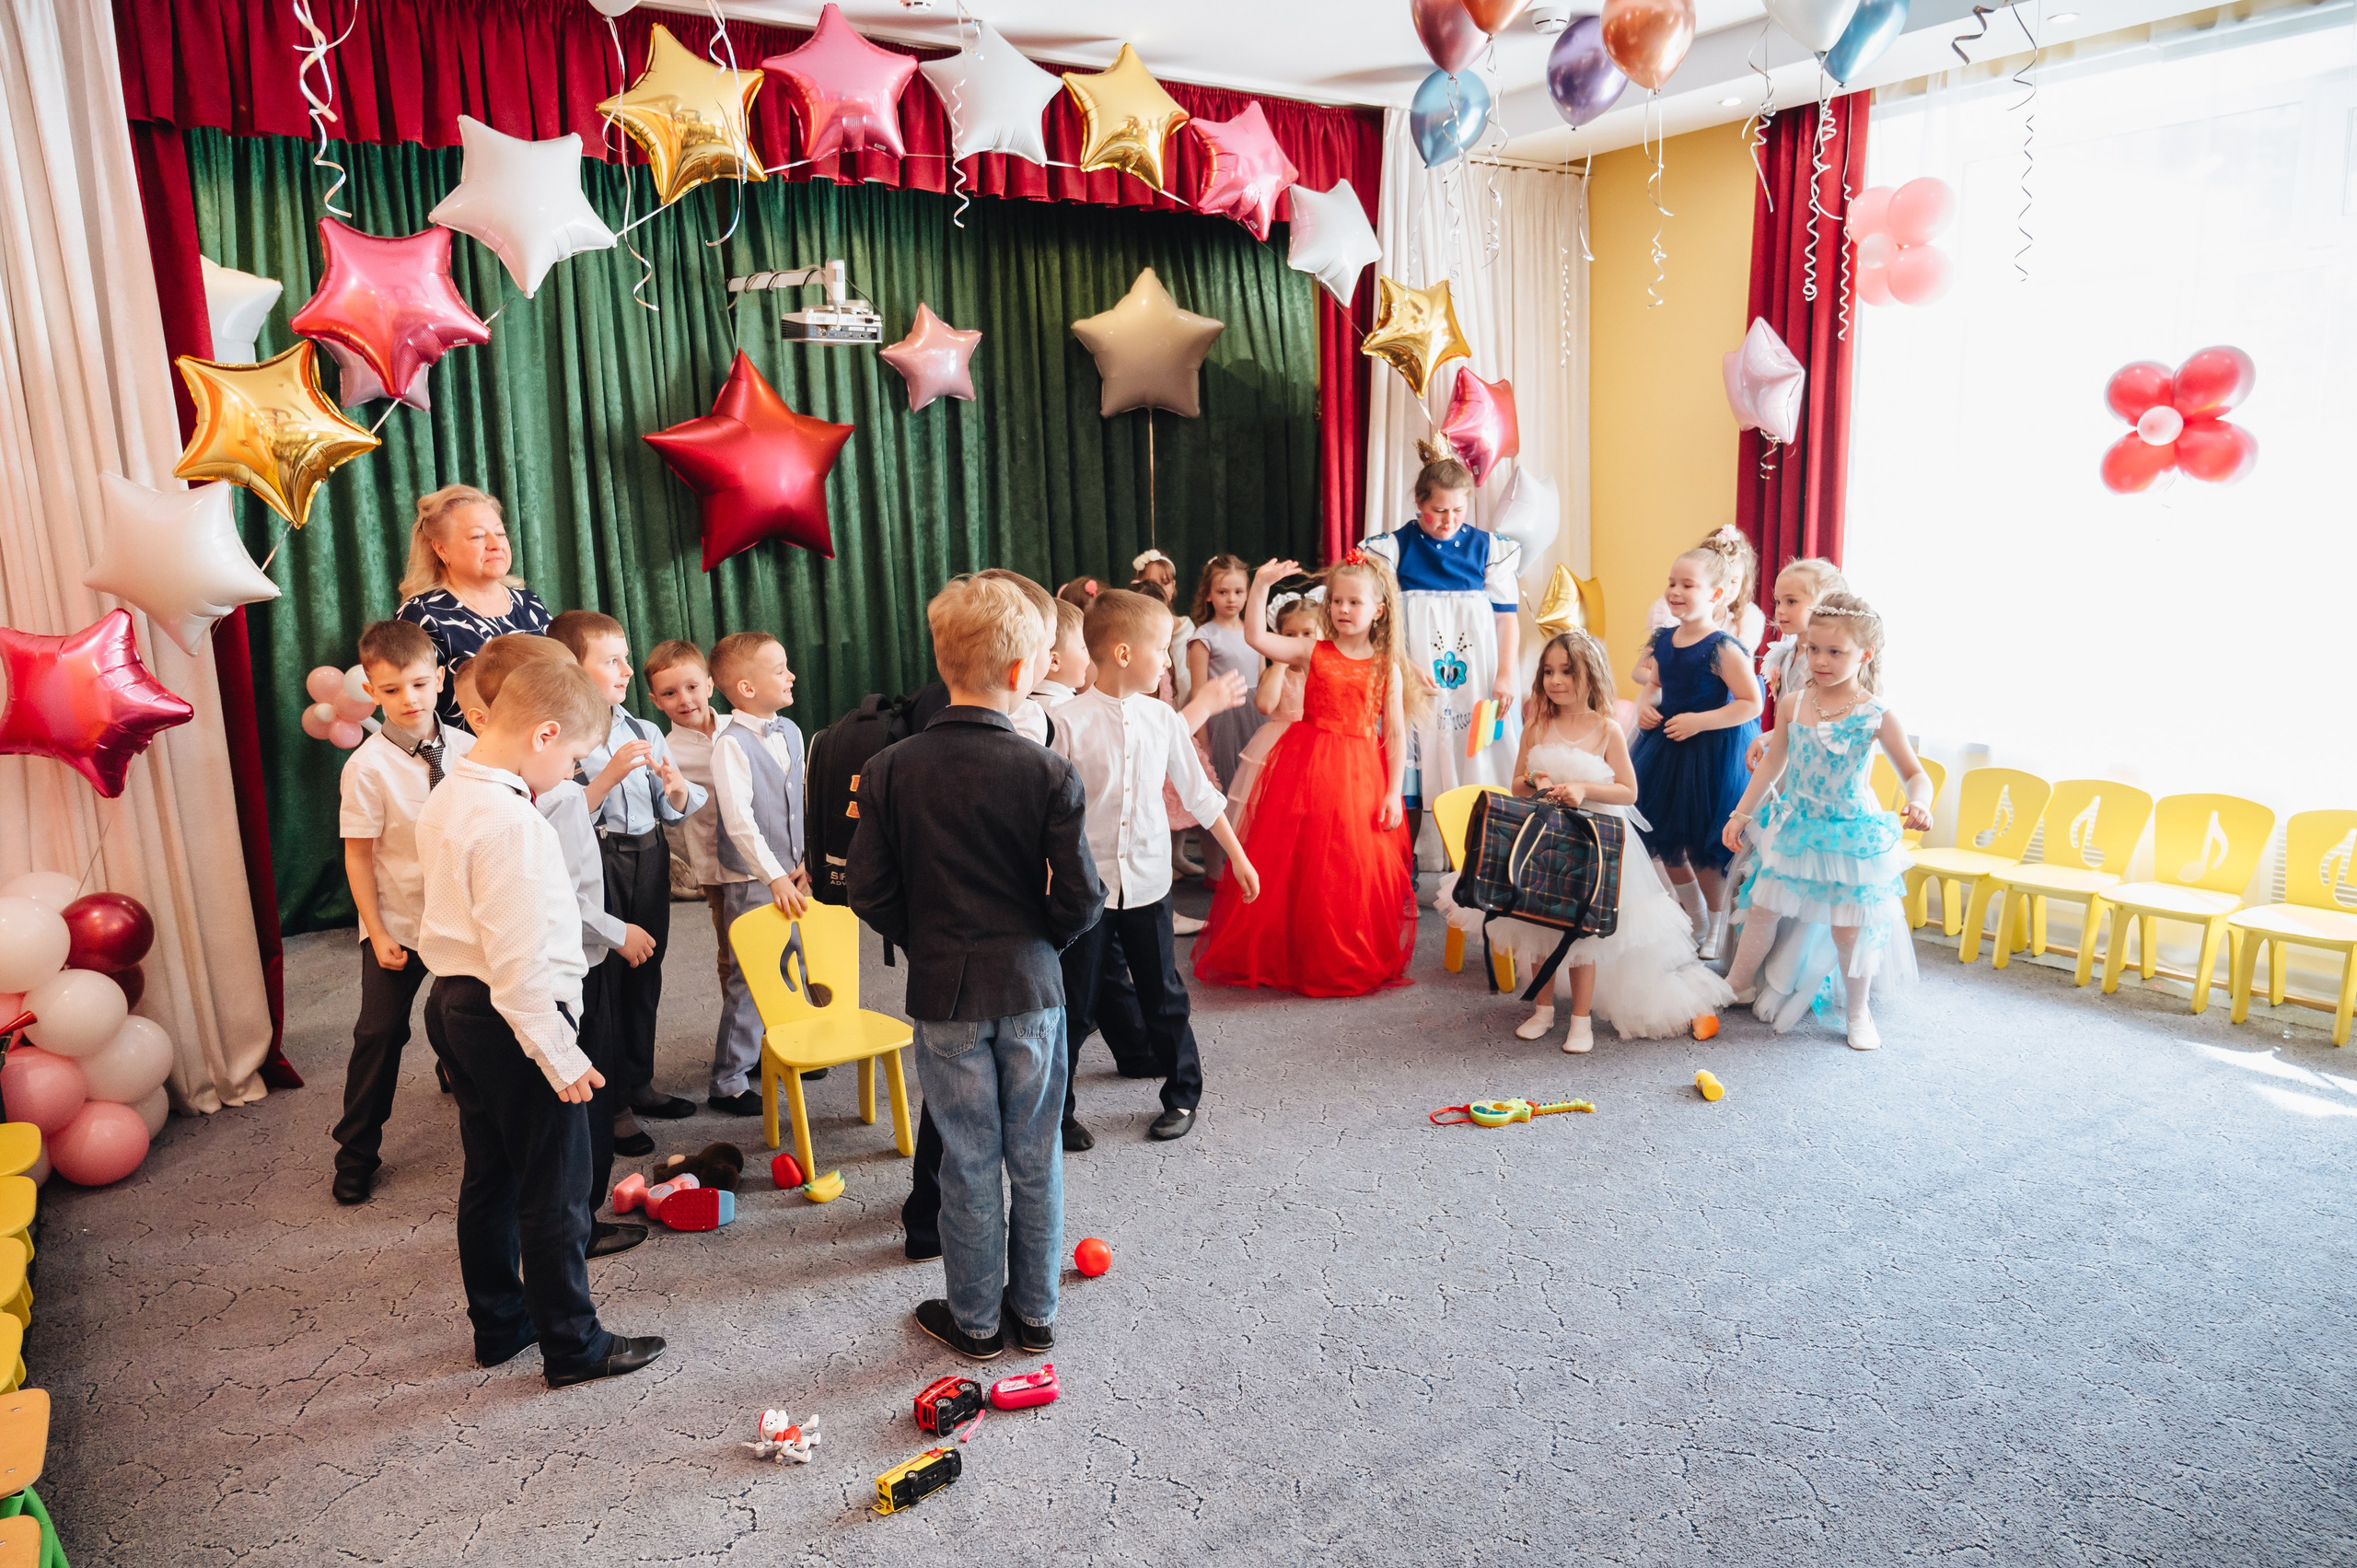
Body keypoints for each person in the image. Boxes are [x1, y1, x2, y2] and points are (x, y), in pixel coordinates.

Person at [848, 575, 1106, 1362]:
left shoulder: (890, 767)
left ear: (941, 659)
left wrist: (925, 938)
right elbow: (1085, 898)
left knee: (966, 1157)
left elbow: (867, 889)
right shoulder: (1048, 769)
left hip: (945, 991)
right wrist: (1043, 942)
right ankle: (1035, 1313)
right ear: (1026, 671)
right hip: (1031, 984)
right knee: (1035, 1153)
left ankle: (976, 1323)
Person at [415, 656, 663, 1388]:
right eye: (576, 755)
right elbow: (520, 965)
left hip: (457, 1003)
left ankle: (500, 1322)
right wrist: (560, 1054)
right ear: (545, 732)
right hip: (513, 1017)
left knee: (490, 1173)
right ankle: (574, 1344)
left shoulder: (452, 788)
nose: (576, 770)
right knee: (555, 1185)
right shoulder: (511, 822)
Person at [1438, 631, 1736, 1050]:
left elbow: (1628, 793)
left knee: (1583, 934)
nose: (1556, 681)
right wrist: (1535, 779)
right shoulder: (1538, 724)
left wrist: (1583, 788)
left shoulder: (1607, 729)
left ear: (1589, 675)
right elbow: (1517, 785)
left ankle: (1581, 1020)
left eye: (1567, 672)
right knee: (1539, 927)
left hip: (1593, 845)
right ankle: (1542, 1010)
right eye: (1548, 672)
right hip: (1543, 843)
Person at [459, 634, 652, 1259]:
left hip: (498, 984)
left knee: (500, 1158)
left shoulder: (474, 789)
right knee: (565, 1136)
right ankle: (580, 1232)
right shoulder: (538, 800)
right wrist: (617, 932)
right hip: (553, 980)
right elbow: (554, 903)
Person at [1052, 589, 1260, 1149]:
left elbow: (1200, 794)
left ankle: (1183, 1092)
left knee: (1163, 994)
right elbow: (1045, 813)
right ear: (1123, 654)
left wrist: (1237, 855)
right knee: (1075, 1003)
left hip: (1147, 885)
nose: (1169, 662)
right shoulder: (1065, 723)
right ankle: (1059, 1110)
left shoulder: (1164, 719)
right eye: (1162, 650)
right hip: (1086, 891)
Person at [1194, 552, 1420, 998]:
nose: (1342, 609)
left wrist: (1394, 792)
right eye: (1337, 601)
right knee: (1305, 860)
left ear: (1378, 610)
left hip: (1360, 775)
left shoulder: (1385, 666)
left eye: (1354, 602)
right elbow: (1257, 636)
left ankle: (1343, 953)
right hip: (1308, 763)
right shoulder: (1312, 651)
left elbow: (1394, 735)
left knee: (1349, 865)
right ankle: (1298, 951)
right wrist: (1260, 585)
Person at [1722, 593, 1933, 1051]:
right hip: (1794, 826)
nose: (1820, 660)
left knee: (1848, 927)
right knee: (1762, 909)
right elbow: (1772, 763)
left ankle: (1858, 1012)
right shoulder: (1795, 703)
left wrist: (1921, 802)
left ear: (1865, 655)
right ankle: (1735, 984)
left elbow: (1916, 774)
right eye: (1814, 649)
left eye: (1835, 652)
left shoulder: (1876, 713)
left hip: (1847, 833)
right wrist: (1741, 813)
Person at [550, 611, 706, 1150]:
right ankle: (611, 1102)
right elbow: (562, 817)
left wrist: (678, 788)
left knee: (647, 971)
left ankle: (640, 1081)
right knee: (607, 983)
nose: (623, 670)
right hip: (603, 859)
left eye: (624, 659)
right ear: (573, 667)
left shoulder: (644, 728)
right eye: (610, 661)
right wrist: (610, 773)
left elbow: (671, 809)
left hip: (651, 856)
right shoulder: (564, 735)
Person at [331, 619, 473, 1205]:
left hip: (463, 919)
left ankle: (469, 1094)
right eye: (391, 691)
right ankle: (356, 1151)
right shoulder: (367, 768)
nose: (408, 700)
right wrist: (378, 931)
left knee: (470, 1022)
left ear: (440, 679)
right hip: (401, 923)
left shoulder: (471, 749)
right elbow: (359, 858)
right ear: (371, 692)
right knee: (380, 1031)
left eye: (418, 684)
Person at [1360, 447, 1522, 879]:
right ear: (1419, 503)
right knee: (1410, 760)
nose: (1449, 520)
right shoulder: (1393, 549)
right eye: (1438, 510)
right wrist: (1403, 664)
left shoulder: (1489, 549)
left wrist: (1506, 674)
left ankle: (1477, 868)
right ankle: (1402, 864)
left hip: (1476, 674)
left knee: (1479, 758)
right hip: (1414, 672)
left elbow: (1507, 621)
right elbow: (1377, 621)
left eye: (1458, 509)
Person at [1628, 545, 1765, 955]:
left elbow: (1750, 703)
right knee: (1666, 843)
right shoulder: (1663, 640)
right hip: (1667, 749)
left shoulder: (1723, 647)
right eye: (1672, 582)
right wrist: (1643, 708)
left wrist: (1699, 721)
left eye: (1688, 584)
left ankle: (1717, 927)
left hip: (1709, 754)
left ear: (1717, 595)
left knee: (1704, 851)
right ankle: (1696, 917)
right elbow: (1651, 685)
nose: (1675, 590)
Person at [704, 632, 809, 1115]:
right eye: (780, 668)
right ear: (746, 688)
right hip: (754, 879)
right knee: (751, 976)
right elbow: (740, 821)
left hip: (795, 871)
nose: (790, 675)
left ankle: (791, 1047)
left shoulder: (791, 731)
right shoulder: (731, 744)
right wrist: (773, 876)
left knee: (800, 962)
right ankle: (728, 1079)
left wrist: (804, 861)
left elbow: (802, 801)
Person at [392, 484, 552, 730]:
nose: (495, 544)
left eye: (499, 534)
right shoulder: (421, 615)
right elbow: (413, 712)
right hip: (468, 761)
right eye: (478, 536)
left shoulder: (529, 602)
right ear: (441, 549)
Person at [643, 641, 734, 999]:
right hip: (717, 866)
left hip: (767, 857)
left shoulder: (739, 728)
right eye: (669, 692)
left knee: (795, 941)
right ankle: (745, 1042)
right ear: (655, 700)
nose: (684, 699)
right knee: (733, 952)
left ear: (709, 686)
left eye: (693, 687)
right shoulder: (667, 751)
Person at [1223, 594, 1317, 842]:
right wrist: (1280, 663)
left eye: (1308, 633)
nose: (1298, 641)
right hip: (1279, 751)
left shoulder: (1322, 671)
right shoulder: (1276, 671)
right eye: (1290, 635)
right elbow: (1265, 705)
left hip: (1316, 750)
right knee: (1278, 813)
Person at [1747, 557, 1848, 772]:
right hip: (1786, 758)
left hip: (1817, 763)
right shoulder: (1784, 654)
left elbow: (1813, 721)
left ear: (1822, 604)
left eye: (1791, 602)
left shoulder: (1825, 665)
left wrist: (1769, 737)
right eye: (1778, 602)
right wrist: (1768, 738)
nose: (1780, 610)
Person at [1186, 553, 1264, 789]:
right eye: (1223, 592)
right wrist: (1203, 743)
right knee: (1228, 781)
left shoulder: (1255, 632)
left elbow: (1262, 679)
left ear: (1248, 593)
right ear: (1208, 594)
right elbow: (1199, 692)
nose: (1231, 599)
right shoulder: (1205, 636)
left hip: (1256, 715)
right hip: (1222, 719)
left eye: (1238, 592)